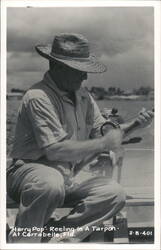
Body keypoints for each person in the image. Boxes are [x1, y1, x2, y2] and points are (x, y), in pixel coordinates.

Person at [7, 33, 154, 243]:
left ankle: (54, 239)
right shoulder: (38, 96)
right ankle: (23, 243)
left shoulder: (83, 95)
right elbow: (54, 150)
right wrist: (104, 143)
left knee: (113, 193)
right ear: (57, 66)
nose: (85, 77)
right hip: (29, 172)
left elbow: (101, 131)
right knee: (49, 183)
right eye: (80, 71)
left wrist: (135, 124)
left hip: (68, 174)